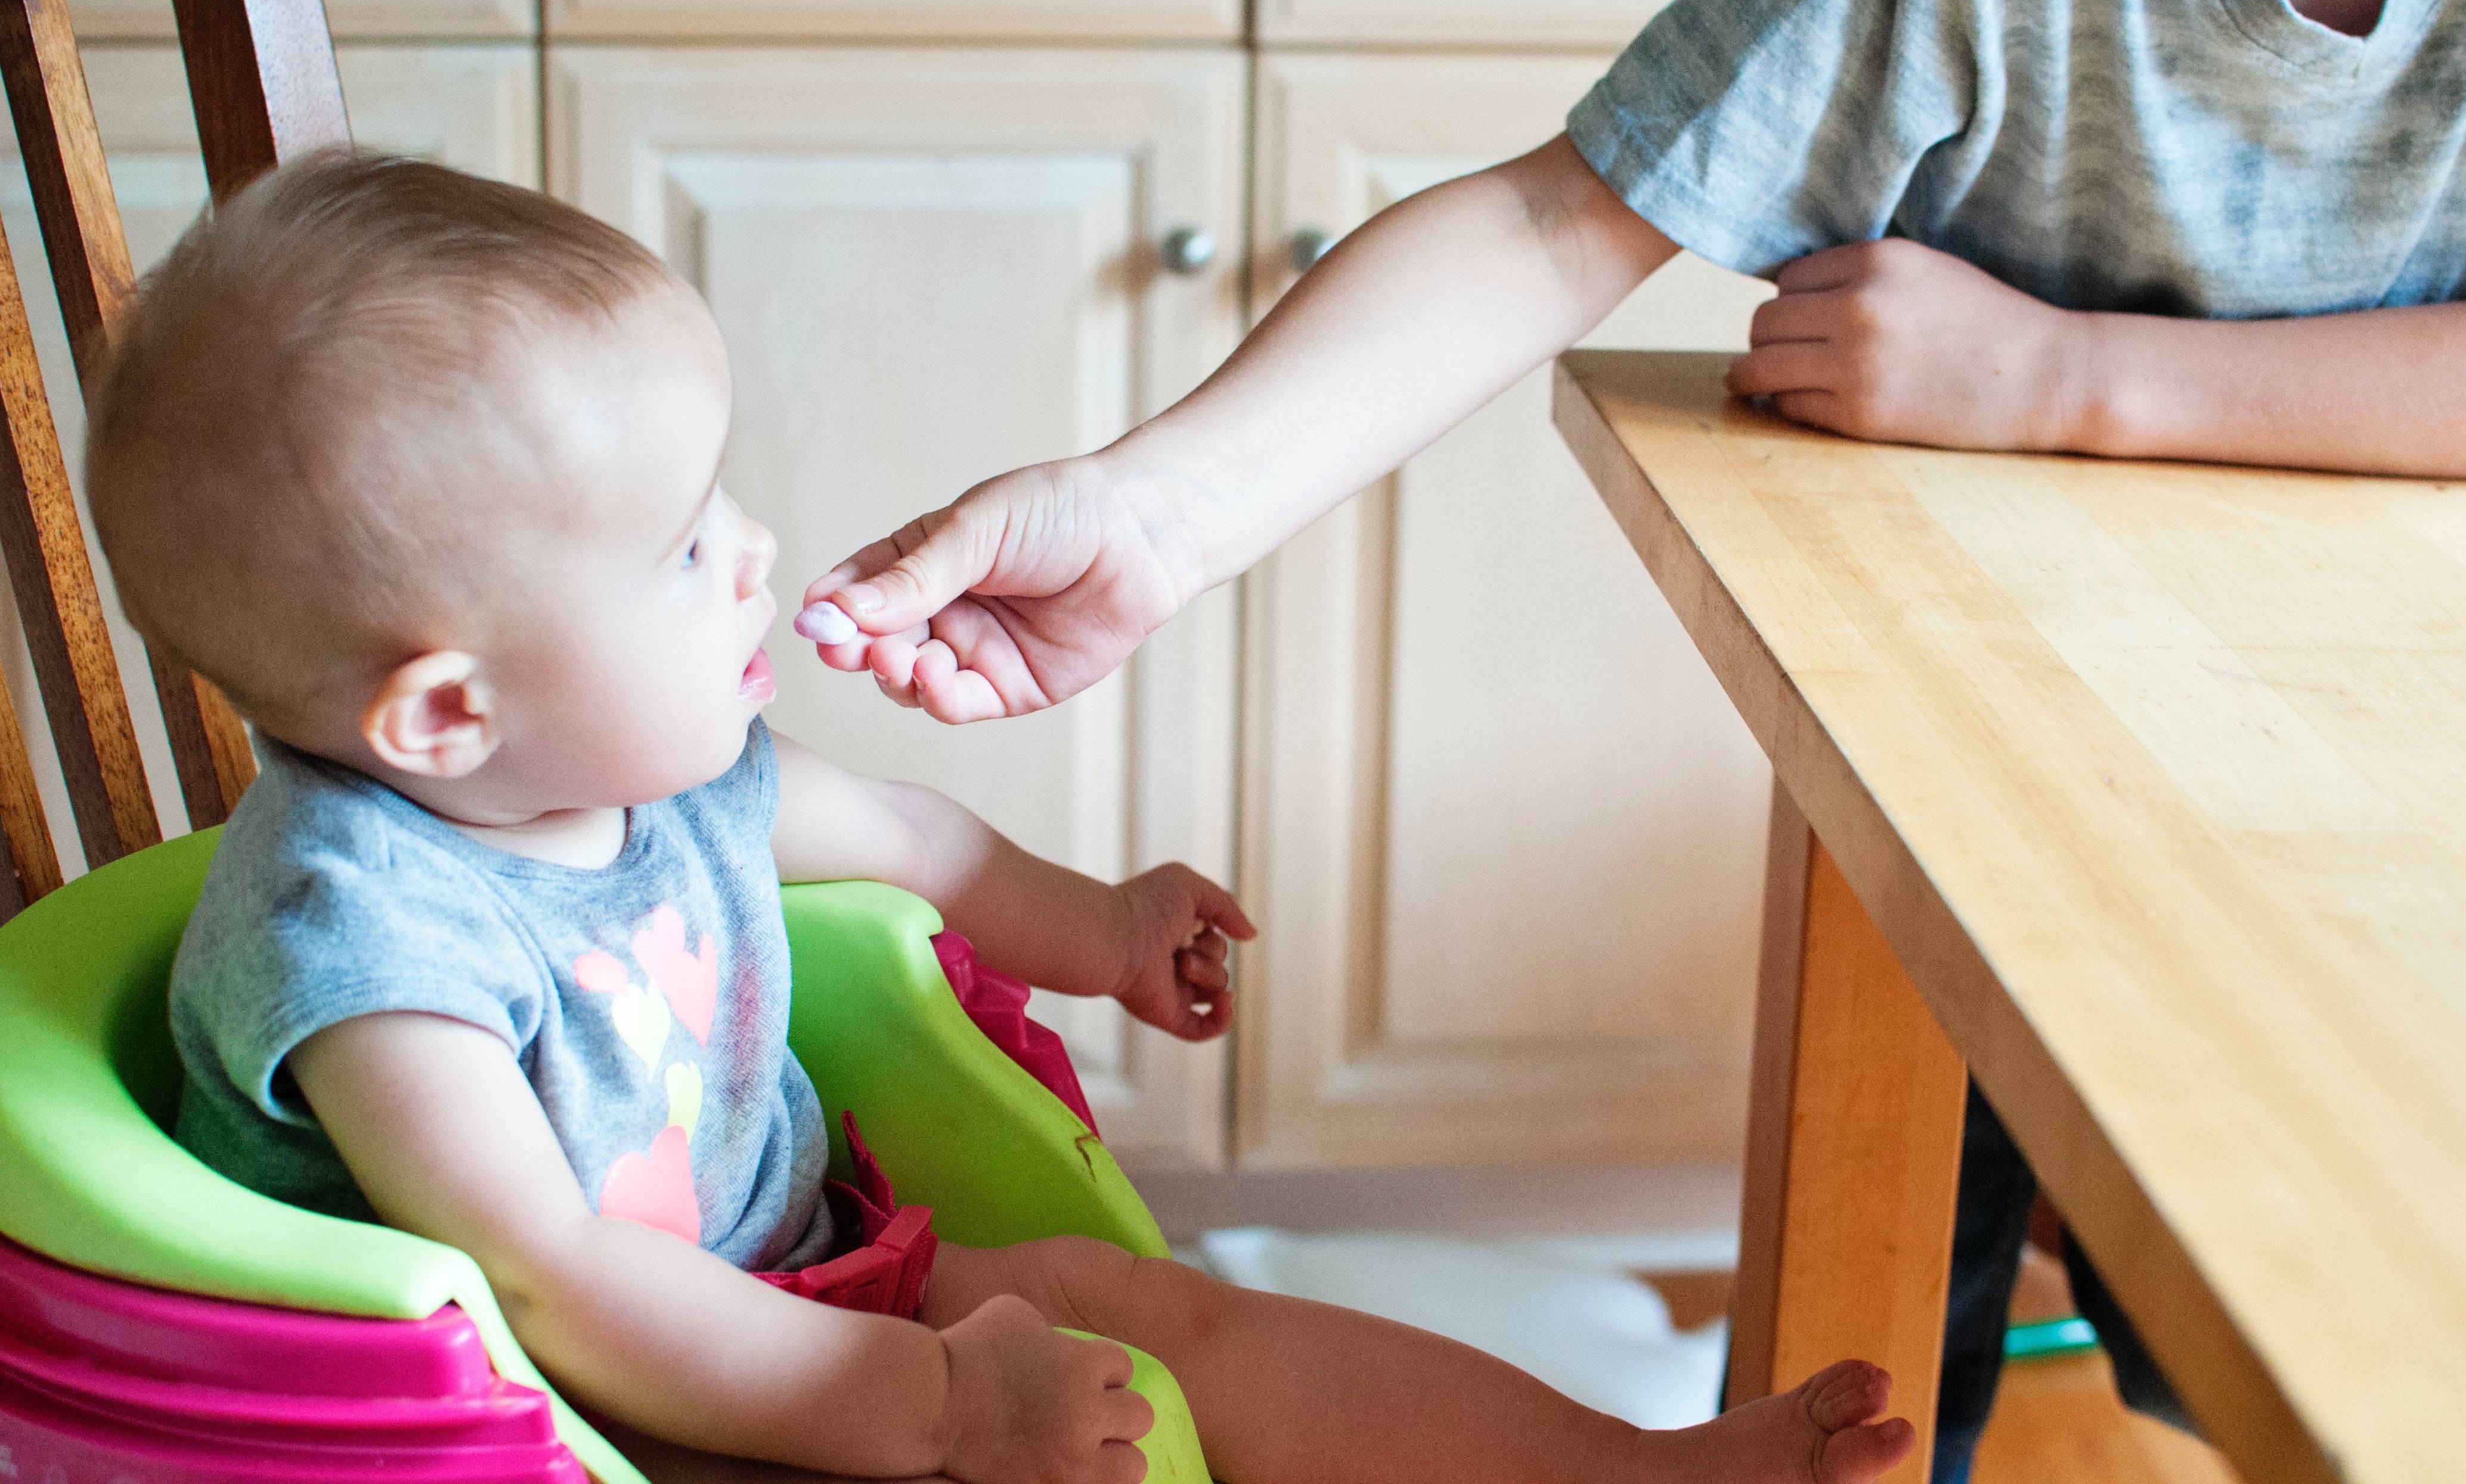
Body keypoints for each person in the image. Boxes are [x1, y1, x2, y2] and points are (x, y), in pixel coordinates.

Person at [792, 0, 2466, 1474]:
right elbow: (1563, 217)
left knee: (2325, 1325)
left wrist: (2069, 377)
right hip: (1991, 748)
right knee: (1892, 1309)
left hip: (2440, 789)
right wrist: (1160, 515)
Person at [95, 151, 1915, 1484]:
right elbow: (552, 1288)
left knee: (1149, 1310)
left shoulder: (642, 770)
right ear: (445, 711)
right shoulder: (375, 954)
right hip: (548, 1420)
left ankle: (1623, 1469)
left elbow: (916, 841)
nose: (751, 555)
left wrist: (1106, 929)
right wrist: (942, 1407)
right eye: (676, 551)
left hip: (793, 1286)